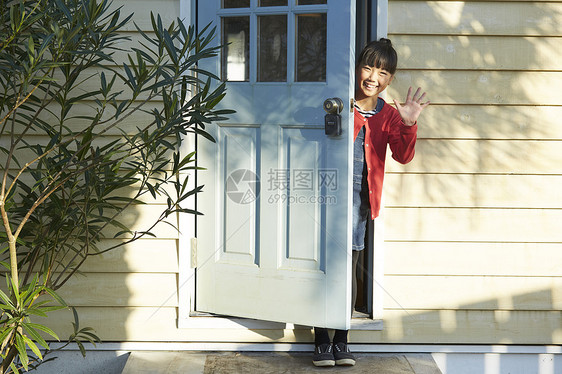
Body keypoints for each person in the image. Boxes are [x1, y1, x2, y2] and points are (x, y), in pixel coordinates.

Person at [312, 38, 430, 367]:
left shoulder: (389, 115)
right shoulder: (337, 103)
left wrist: (407, 123)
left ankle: (340, 338)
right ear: (357, 69)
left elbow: (404, 156)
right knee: (322, 262)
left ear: (390, 79)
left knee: (346, 265)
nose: (373, 76)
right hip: (325, 188)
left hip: (357, 198)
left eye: (382, 71)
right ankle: (321, 337)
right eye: (368, 66)